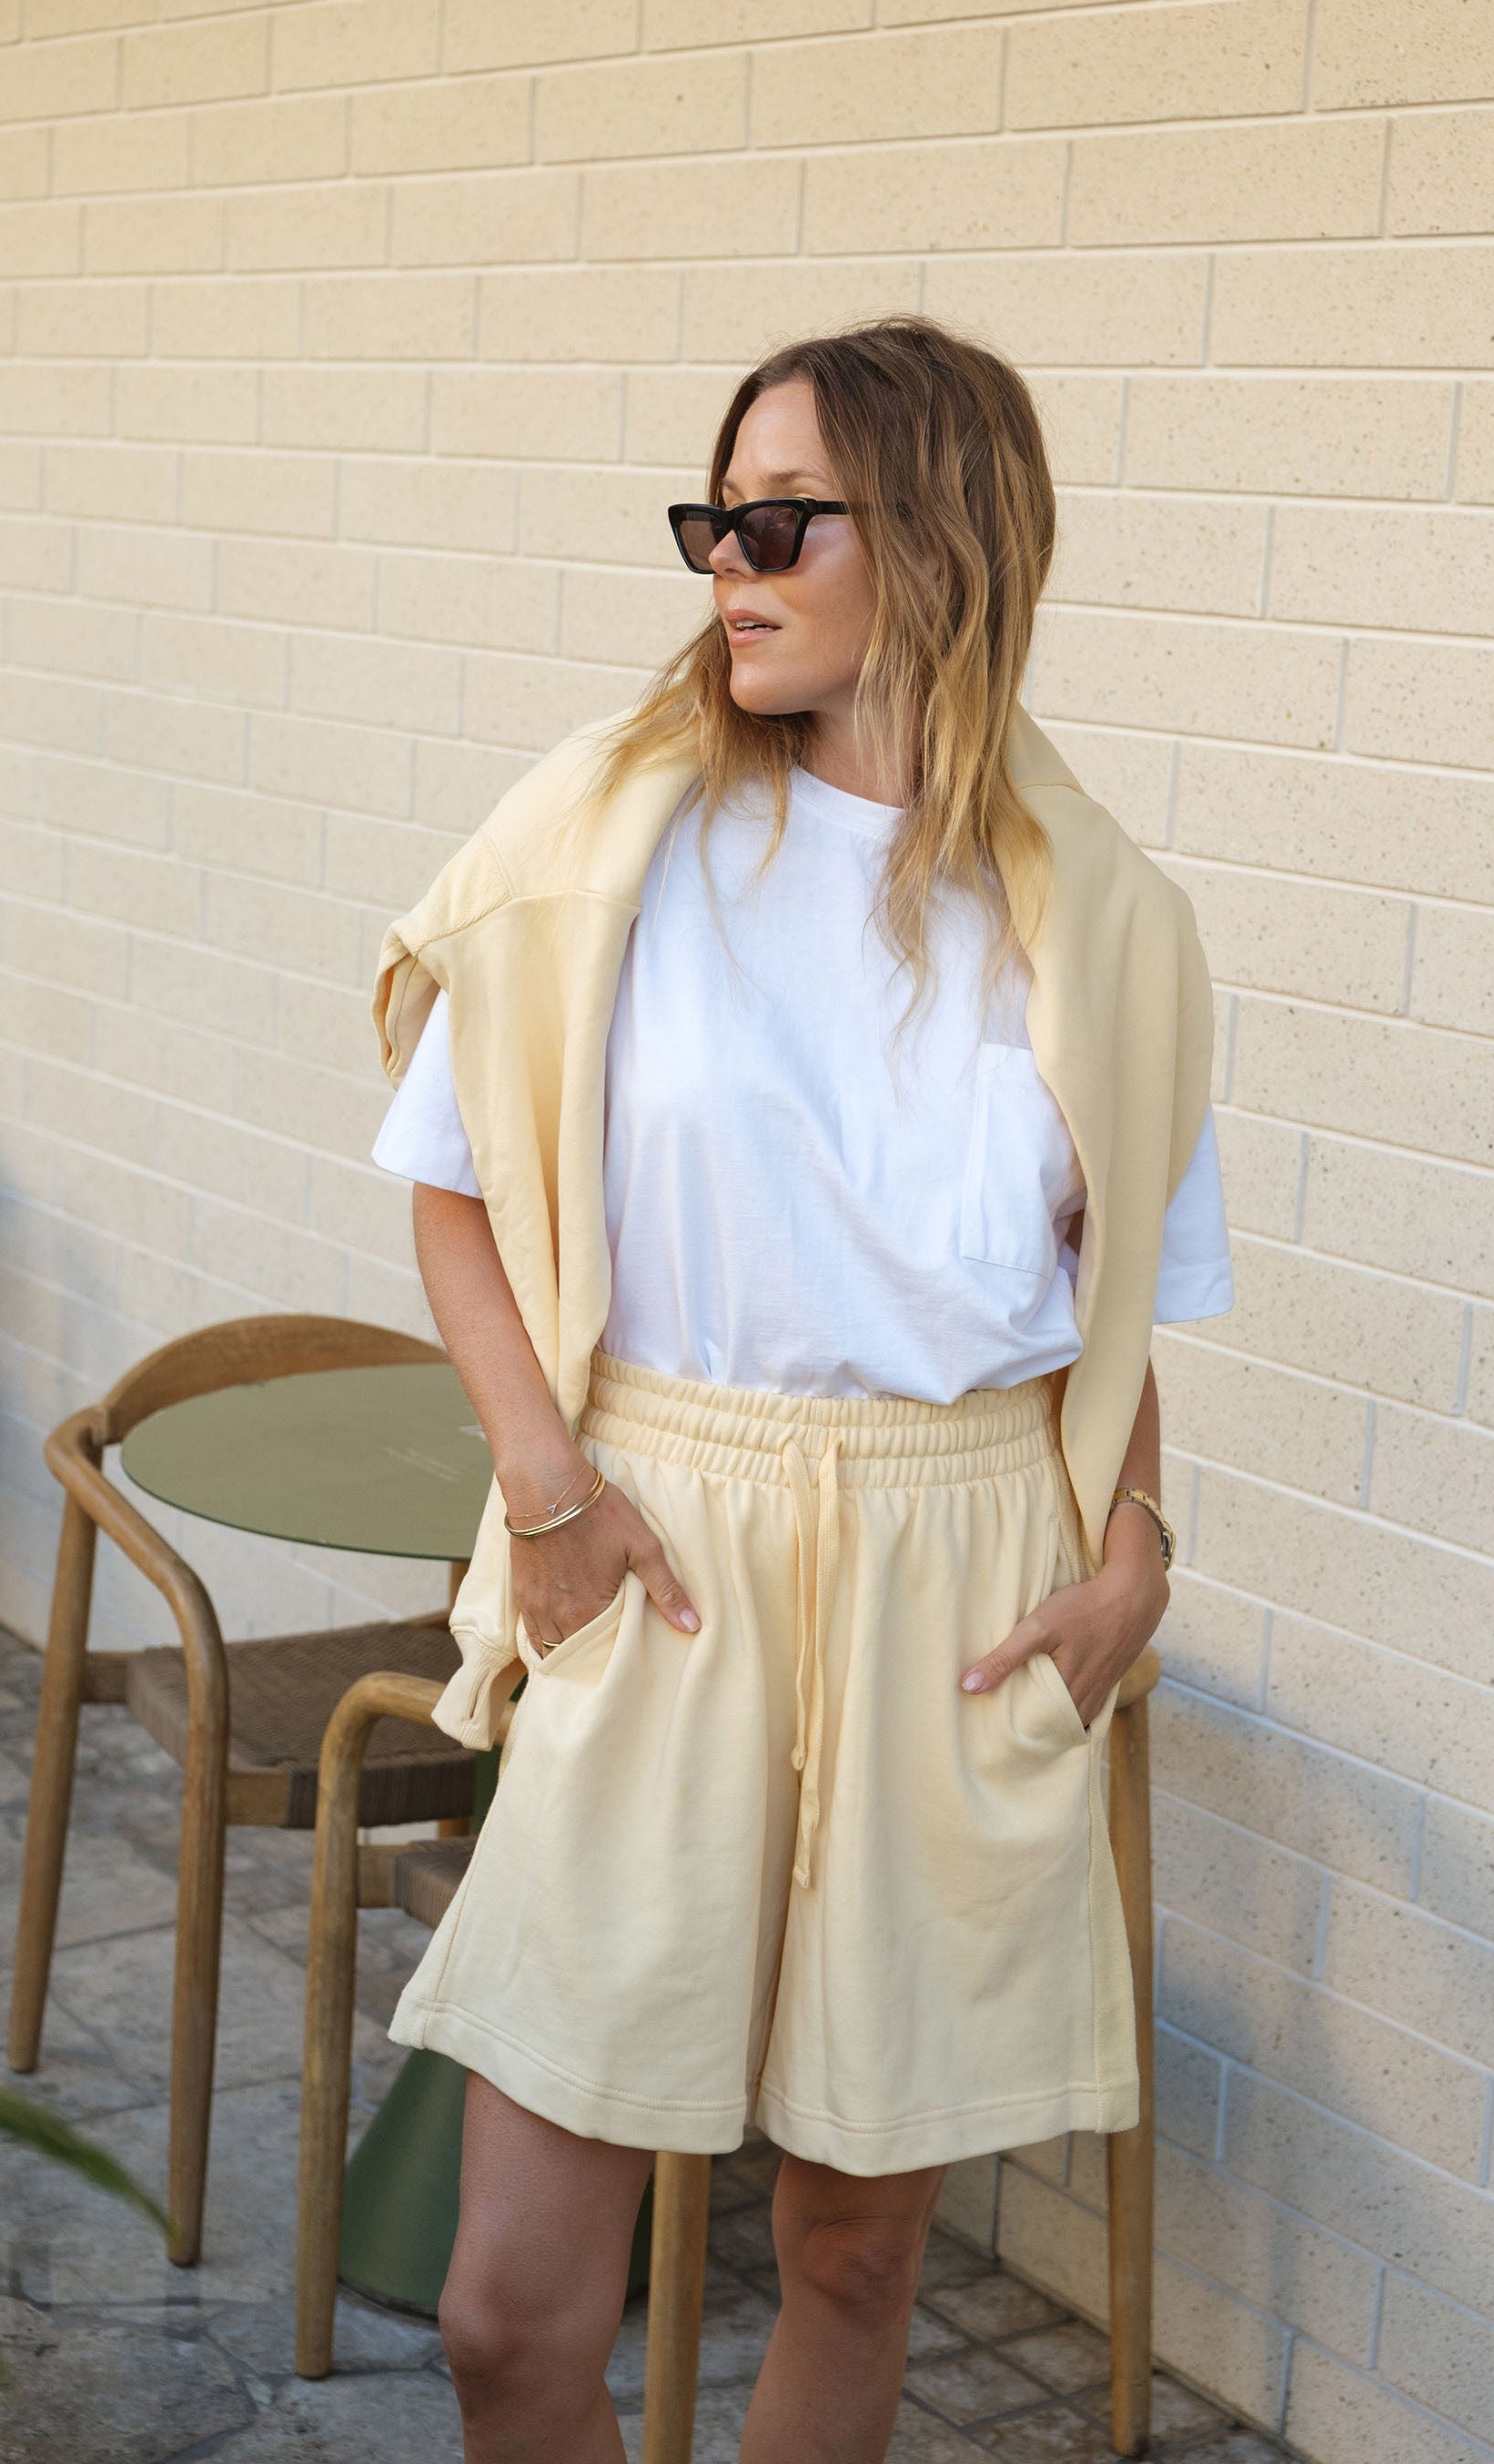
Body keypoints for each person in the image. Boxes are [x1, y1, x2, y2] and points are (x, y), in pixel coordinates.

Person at [368, 315, 1232, 2464]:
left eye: (773, 521)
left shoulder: (1104, 922)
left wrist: (1136, 1556)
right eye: (711, 522)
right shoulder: (613, 841)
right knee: (507, 2313)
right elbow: (452, 1193)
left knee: (856, 2248)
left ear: (936, 536)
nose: (725, 569)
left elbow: (1102, 1303)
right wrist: (548, 1486)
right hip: (659, 1533)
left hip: (965, 1565)